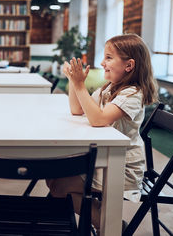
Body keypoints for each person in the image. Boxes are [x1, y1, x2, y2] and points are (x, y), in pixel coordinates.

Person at [47, 34, 158, 232]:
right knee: (54, 177)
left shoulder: (132, 94)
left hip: (121, 167)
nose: (102, 62)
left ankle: (112, 227)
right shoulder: (109, 87)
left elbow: (98, 119)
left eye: (108, 57)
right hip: (104, 158)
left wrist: (80, 85)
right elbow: (78, 109)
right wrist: (74, 81)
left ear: (129, 65)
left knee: (60, 186)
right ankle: (105, 219)